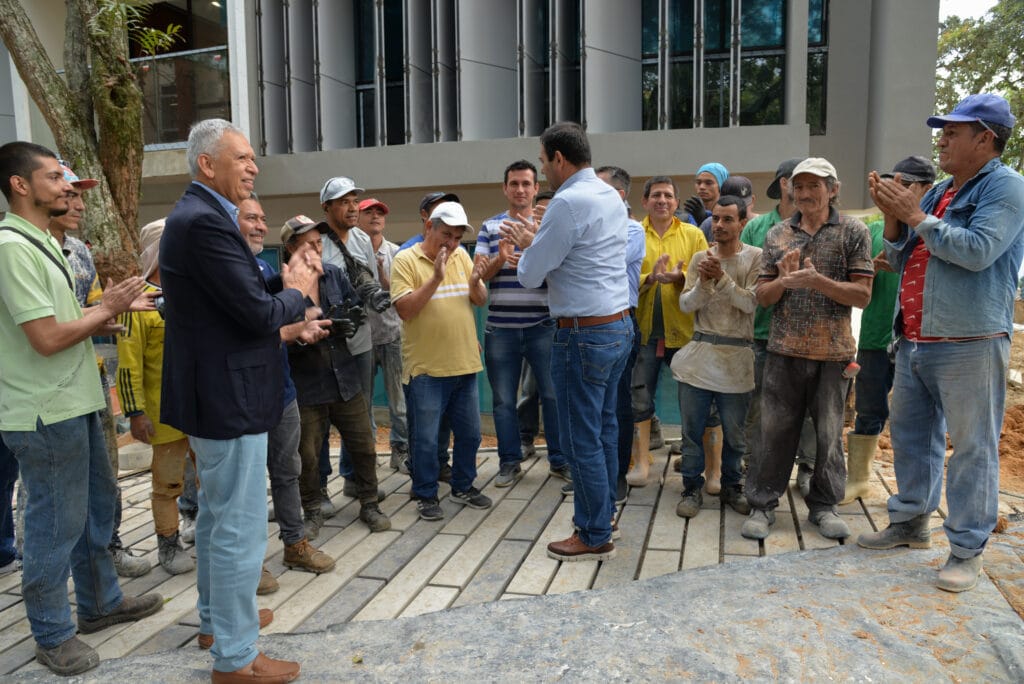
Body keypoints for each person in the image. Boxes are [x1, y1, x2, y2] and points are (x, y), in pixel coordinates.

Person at [160, 119, 319, 683]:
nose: (254, 167)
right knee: (239, 528)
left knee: (218, 519)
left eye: (254, 158)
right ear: (208, 164)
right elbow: (254, 316)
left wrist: (282, 284)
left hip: (217, 393)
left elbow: (241, 295)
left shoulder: (199, 217)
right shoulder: (205, 222)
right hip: (228, 396)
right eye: (244, 158)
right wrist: (299, 288)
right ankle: (236, 657)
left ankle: (218, 622)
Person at [0, 142, 163, 676]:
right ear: (20, 185)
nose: (68, 187)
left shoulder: (43, 241)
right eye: (54, 177)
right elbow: (46, 338)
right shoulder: (12, 246)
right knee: (53, 524)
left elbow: (60, 325)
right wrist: (107, 310)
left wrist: (100, 315)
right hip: (46, 414)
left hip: (78, 401)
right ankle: (52, 635)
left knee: (96, 508)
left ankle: (100, 603)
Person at [859, 94, 1024, 593]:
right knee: (911, 437)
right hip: (915, 336)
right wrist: (894, 215)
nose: (942, 139)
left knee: (972, 448)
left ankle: (967, 549)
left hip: (970, 339)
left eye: (953, 132)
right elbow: (896, 255)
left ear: (985, 138)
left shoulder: (1007, 188)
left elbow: (976, 252)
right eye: (943, 131)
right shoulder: (940, 193)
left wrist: (914, 215)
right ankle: (910, 523)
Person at [507, 121, 633, 561]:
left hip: (584, 333)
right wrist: (539, 243)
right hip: (618, 326)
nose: (542, 172)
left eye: (542, 162)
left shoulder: (567, 202)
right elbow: (581, 257)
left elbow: (528, 274)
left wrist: (529, 243)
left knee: (582, 438)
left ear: (559, 158)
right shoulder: (608, 195)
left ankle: (594, 532)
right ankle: (604, 516)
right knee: (604, 429)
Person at [741, 157, 873, 542]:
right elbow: (763, 297)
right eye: (798, 186)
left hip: (833, 353)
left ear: (833, 189)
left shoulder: (853, 232)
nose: (804, 193)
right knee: (773, 433)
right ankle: (763, 505)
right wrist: (784, 281)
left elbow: (863, 295)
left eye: (814, 185)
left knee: (829, 435)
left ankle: (824, 506)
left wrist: (816, 280)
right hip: (783, 350)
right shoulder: (778, 235)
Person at [47, 162, 152, 578]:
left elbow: (88, 311)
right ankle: (42, 571)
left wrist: (112, 310)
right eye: (68, 193)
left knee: (103, 477)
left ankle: (108, 550)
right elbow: (45, 327)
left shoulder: (80, 250)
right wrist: (103, 310)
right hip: (44, 390)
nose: (78, 204)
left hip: (90, 377)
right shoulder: (20, 247)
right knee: (49, 494)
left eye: (80, 196)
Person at [238, 199, 336, 581]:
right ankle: (250, 564)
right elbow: (252, 332)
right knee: (247, 483)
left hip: (281, 387)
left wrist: (301, 318)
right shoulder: (232, 270)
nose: (260, 226)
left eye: (263, 218)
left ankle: (294, 544)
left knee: (287, 470)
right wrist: (298, 326)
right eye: (251, 218)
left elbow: (275, 321)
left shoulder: (262, 267)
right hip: (247, 393)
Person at [282, 215, 392, 538]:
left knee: (364, 444)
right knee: (308, 454)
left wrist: (351, 319)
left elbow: (354, 305)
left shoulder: (334, 274)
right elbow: (277, 333)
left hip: (344, 375)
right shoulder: (283, 284)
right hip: (307, 381)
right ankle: (313, 509)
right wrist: (302, 334)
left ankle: (370, 502)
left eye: (319, 243)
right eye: (308, 245)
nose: (317, 250)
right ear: (290, 248)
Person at [842, 156, 934, 504]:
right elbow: (853, 278)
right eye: (892, 185)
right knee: (869, 409)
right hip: (876, 335)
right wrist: (872, 269)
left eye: (905, 185)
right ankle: (859, 481)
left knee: (919, 420)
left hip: (923, 337)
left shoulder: (933, 224)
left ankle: (916, 494)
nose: (896, 192)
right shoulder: (872, 230)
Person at [392, 202, 492, 521]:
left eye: (457, 237)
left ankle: (463, 486)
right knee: (425, 438)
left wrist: (476, 280)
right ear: (428, 228)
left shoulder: (461, 256)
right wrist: (435, 277)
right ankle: (425, 493)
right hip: (426, 370)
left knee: (471, 434)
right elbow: (405, 310)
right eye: (445, 234)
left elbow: (479, 300)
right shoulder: (406, 259)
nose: (451, 243)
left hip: (464, 363)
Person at [476, 160, 570, 488]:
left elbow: (562, 273)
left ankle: (559, 460)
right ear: (505, 188)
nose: (520, 190)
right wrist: (501, 258)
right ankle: (509, 462)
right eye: (514, 183)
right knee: (503, 399)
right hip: (501, 327)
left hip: (543, 324)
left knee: (554, 395)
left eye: (526, 184)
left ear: (534, 187)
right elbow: (479, 277)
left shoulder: (549, 225)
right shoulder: (489, 227)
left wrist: (533, 248)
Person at [671, 196, 760, 519]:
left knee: (735, 434)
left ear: (741, 223)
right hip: (700, 354)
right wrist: (705, 283)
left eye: (727, 219)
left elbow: (750, 303)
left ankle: (732, 485)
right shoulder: (699, 259)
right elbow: (686, 305)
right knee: (691, 430)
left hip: (736, 355)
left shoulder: (756, 259)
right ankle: (691, 488)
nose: (719, 225)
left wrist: (721, 279)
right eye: (716, 219)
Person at [115, 218, 194, 576]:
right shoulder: (139, 303)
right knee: (167, 483)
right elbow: (128, 363)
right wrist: (135, 412)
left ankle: (204, 531)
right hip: (162, 414)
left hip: (201, 407)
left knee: (209, 476)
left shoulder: (192, 290)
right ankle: (168, 542)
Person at [629, 175, 708, 487]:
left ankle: (694, 459)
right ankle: (641, 460)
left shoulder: (693, 234)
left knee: (692, 399)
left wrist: (680, 277)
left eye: (668, 196)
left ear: (676, 202)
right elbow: (622, 275)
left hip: (685, 331)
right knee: (639, 397)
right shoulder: (633, 234)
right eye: (656, 195)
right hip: (643, 332)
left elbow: (706, 277)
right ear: (645, 201)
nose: (662, 200)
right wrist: (649, 278)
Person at [318, 176, 390, 504]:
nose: (350, 207)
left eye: (353, 200)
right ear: (327, 207)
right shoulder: (316, 240)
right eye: (342, 201)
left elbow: (368, 284)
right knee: (319, 417)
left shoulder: (361, 238)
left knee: (360, 413)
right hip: (324, 343)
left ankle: (354, 479)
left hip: (360, 339)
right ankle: (318, 488)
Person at [596, 165, 646, 505]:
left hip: (621, 321)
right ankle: (593, 473)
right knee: (592, 406)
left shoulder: (632, 230)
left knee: (617, 403)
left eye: (598, 188)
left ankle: (617, 476)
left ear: (620, 195)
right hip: (587, 322)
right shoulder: (589, 227)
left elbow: (606, 262)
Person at [357, 197, 410, 472]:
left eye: (380, 213)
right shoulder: (351, 252)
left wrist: (382, 276)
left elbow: (403, 294)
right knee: (362, 405)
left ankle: (399, 450)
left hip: (392, 335)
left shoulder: (397, 253)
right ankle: (366, 455)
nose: (375, 217)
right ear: (358, 217)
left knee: (398, 400)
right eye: (369, 212)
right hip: (361, 338)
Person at [679, 162, 728, 226]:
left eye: (708, 183)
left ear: (721, 185)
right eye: (698, 182)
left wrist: (704, 219)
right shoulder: (689, 215)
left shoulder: (729, 214)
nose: (702, 187)